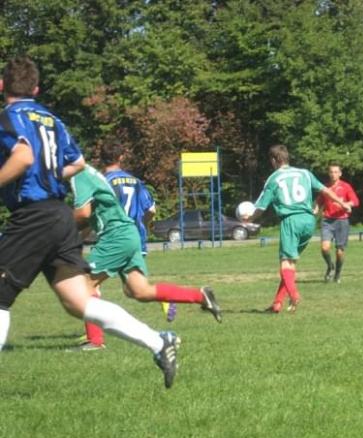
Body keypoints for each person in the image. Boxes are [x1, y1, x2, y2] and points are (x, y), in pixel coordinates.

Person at [0, 57, 179, 388]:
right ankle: (159, 341)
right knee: (79, 303)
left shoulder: (9, 117)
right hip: (59, 216)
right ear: (36, 89)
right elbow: (78, 163)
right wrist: (50, 173)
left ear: (1, 86)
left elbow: (23, 157)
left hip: (34, 215)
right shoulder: (53, 120)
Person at [71, 164, 222, 350]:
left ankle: (95, 341)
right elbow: (150, 210)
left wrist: (58, 232)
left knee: (85, 286)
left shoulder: (80, 175)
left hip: (115, 236)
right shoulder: (104, 177)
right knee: (139, 290)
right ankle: (200, 296)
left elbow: (83, 213)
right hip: (132, 234)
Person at [243, 144, 351, 313]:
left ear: (273, 160)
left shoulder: (274, 178)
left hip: (291, 220)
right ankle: (277, 304)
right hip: (309, 221)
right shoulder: (305, 173)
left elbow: (261, 207)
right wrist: (342, 202)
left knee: (286, 262)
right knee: (291, 264)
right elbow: (325, 190)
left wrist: (249, 218)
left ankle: (294, 294)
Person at [100, 140, 176, 321]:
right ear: (121, 157)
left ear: (101, 159)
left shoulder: (103, 182)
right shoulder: (135, 181)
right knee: (132, 289)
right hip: (136, 236)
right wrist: (144, 225)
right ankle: (164, 297)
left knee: (89, 282)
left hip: (115, 236)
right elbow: (151, 210)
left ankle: (94, 336)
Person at [314, 162, 359, 283]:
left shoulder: (346, 186)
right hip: (327, 221)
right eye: (331, 172)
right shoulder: (326, 187)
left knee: (340, 252)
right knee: (324, 248)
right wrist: (316, 208)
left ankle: (337, 274)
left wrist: (346, 205)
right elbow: (319, 201)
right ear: (328, 173)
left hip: (342, 221)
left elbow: (355, 201)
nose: (333, 174)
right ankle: (329, 266)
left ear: (340, 173)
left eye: (335, 172)